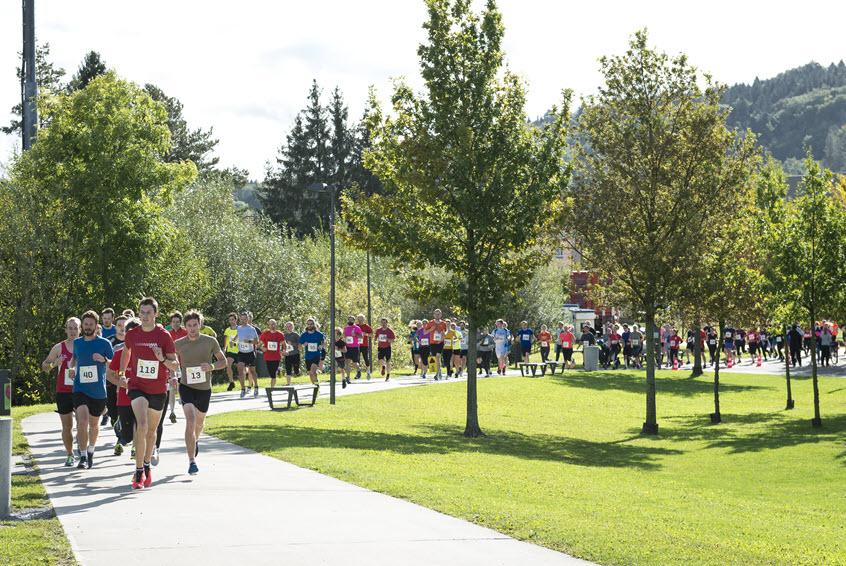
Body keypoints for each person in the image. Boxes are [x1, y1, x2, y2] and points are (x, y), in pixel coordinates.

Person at [120, 297, 178, 489]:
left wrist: (161, 359)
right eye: (142, 312)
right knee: (142, 424)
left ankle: (146, 466)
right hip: (137, 386)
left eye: (148, 313)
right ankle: (138, 472)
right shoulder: (132, 335)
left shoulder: (164, 336)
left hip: (158, 389)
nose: (144, 316)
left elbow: (175, 364)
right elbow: (126, 353)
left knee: (151, 432)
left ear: (156, 314)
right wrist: (122, 374)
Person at [175, 310, 227, 475]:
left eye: (195, 325)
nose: (192, 329)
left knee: (199, 422)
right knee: (190, 420)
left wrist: (211, 366)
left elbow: (223, 361)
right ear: (185, 326)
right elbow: (170, 360)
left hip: (204, 388)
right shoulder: (178, 343)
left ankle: (195, 440)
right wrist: (172, 371)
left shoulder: (210, 341)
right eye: (189, 325)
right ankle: (192, 461)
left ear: (200, 324)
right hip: (186, 386)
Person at [67, 310, 114, 469]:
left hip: (98, 392)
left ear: (96, 325)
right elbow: (73, 360)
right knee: (82, 421)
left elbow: (113, 364)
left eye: (90, 324)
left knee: (94, 425)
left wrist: (104, 359)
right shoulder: (78, 343)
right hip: (80, 388)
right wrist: (71, 367)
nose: (87, 327)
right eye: (85, 324)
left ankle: (91, 450)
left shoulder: (104, 343)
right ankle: (82, 455)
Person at [41, 316, 80, 467]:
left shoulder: (84, 346)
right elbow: (44, 366)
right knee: (67, 426)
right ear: (65, 330)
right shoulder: (59, 347)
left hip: (81, 389)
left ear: (80, 330)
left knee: (83, 423)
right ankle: (70, 454)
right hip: (63, 390)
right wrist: (54, 364)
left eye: (75, 328)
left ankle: (81, 447)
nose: (72, 331)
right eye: (70, 328)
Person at [106, 318, 141, 457]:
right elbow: (109, 374)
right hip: (124, 397)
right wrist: (121, 382)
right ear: (126, 334)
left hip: (142, 395)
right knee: (127, 434)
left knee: (140, 423)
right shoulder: (120, 353)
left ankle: (137, 449)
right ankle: (122, 432)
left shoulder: (147, 353)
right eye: (130, 333)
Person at [166, 311, 188, 423]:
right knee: (172, 388)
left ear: (181, 322)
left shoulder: (185, 332)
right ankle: (172, 411)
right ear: (171, 322)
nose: (175, 324)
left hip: (184, 364)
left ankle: (187, 409)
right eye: (174, 322)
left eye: (178, 322)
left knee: (183, 388)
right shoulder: (167, 334)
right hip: (172, 365)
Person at [236, 311, 260, 398]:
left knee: (252, 371)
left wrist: (249, 341)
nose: (243, 321)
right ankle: (243, 389)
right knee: (240, 369)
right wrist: (233, 341)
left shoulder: (252, 329)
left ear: (248, 319)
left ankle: (256, 387)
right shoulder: (238, 328)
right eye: (241, 319)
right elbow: (237, 336)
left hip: (250, 352)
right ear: (240, 319)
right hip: (241, 352)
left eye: (245, 319)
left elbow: (257, 341)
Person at [259, 319, 286, 387]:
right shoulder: (265, 333)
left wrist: (284, 351)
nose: (272, 325)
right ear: (268, 325)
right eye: (271, 324)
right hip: (268, 356)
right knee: (270, 372)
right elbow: (259, 344)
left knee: (273, 373)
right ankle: (277, 373)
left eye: (273, 324)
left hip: (276, 356)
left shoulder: (280, 334)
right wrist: (262, 348)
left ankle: (272, 387)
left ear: (276, 324)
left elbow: (284, 344)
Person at [299, 318, 324, 386]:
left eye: (311, 324)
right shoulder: (304, 335)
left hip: (316, 355)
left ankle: (316, 386)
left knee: (313, 372)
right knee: (310, 373)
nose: (310, 325)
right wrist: (304, 345)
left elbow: (324, 343)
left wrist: (321, 346)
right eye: (308, 324)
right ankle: (315, 386)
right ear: (306, 325)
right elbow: (299, 347)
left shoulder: (319, 334)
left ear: (314, 324)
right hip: (308, 356)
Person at [425, 310, 448, 380]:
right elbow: (425, 332)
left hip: (440, 342)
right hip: (432, 343)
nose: (437, 315)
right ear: (434, 315)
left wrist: (443, 335)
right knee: (436, 358)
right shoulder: (430, 323)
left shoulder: (443, 323)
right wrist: (431, 329)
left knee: (438, 356)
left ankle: (437, 374)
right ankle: (439, 370)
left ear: (441, 315)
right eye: (436, 314)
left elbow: (446, 332)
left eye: (438, 314)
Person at [343, 316, 364, 385]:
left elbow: (361, 336)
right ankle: (348, 378)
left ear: (354, 321)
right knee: (347, 363)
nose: (350, 321)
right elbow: (344, 336)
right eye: (349, 320)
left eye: (352, 320)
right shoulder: (346, 328)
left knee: (355, 363)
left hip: (355, 347)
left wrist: (355, 335)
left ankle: (358, 369)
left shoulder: (357, 328)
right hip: (347, 347)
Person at [222, 312, 239, 391]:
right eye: (230, 320)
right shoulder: (227, 330)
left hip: (240, 351)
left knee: (241, 368)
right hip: (230, 351)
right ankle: (231, 382)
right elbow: (226, 340)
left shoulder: (240, 329)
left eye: (233, 319)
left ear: (236, 320)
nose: (231, 321)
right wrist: (224, 349)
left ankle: (246, 382)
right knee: (228, 365)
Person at [355, 314, 373, 380]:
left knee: (366, 358)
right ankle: (358, 372)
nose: (360, 320)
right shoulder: (356, 326)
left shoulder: (366, 326)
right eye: (359, 319)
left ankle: (368, 372)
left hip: (364, 345)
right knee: (357, 359)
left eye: (361, 319)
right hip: (357, 345)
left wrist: (366, 334)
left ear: (364, 319)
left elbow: (371, 334)